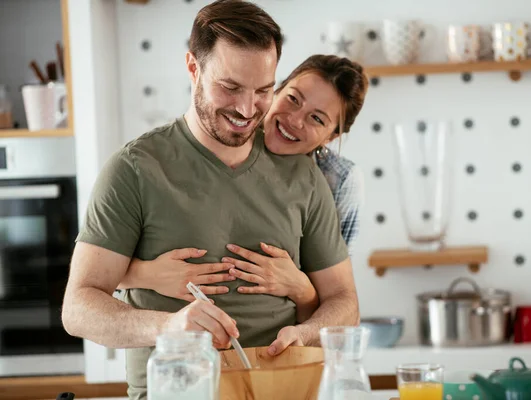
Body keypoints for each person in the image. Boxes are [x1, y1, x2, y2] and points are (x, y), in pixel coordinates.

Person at [61, 1, 360, 399]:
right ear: (193, 68)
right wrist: (167, 327)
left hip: (280, 388)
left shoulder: (304, 175)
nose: (245, 108)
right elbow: (78, 309)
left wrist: (305, 333)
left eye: (263, 91)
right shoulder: (134, 169)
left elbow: (345, 303)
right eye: (230, 87)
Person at [117, 54, 368, 323]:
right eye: (292, 99)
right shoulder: (214, 136)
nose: (295, 120)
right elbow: (100, 272)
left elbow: (336, 295)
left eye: (317, 119)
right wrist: (145, 275)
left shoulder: (337, 180)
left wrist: (301, 287)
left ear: (333, 136)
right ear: (276, 89)